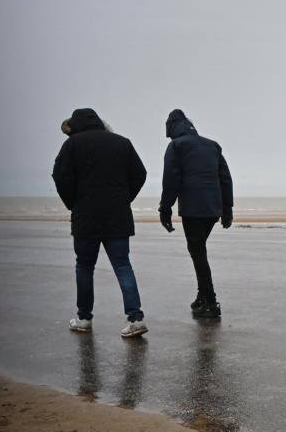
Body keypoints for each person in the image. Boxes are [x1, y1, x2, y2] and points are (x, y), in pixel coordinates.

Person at [52, 108, 148, 337]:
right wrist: (124, 198)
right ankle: (136, 319)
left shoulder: (72, 144)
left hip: (86, 216)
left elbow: (60, 176)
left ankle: (84, 318)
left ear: (75, 125)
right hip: (117, 216)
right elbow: (140, 174)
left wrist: (73, 202)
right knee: (122, 265)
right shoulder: (122, 143)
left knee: (84, 266)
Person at [158, 109, 233, 318]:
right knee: (198, 250)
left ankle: (210, 301)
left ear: (171, 127)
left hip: (193, 209)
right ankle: (203, 296)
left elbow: (171, 179)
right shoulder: (212, 145)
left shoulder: (176, 146)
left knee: (198, 252)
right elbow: (225, 179)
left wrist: (165, 209)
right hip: (212, 209)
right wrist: (227, 210)